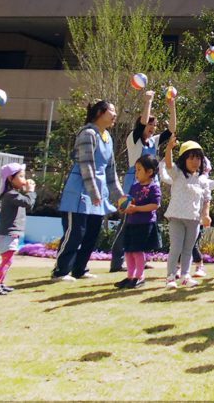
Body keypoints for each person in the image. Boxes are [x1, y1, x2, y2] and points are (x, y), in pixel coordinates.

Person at [53, 100, 124, 281]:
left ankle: (80, 269)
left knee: (92, 233)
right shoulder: (88, 133)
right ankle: (61, 271)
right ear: (100, 112)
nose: (115, 115)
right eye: (112, 111)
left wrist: (120, 198)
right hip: (80, 193)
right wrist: (93, 192)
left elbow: (110, 171)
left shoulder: (107, 137)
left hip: (98, 195)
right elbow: (87, 165)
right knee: (75, 232)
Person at [109, 89, 174, 273]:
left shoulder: (152, 142)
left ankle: (139, 259)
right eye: (149, 125)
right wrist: (148, 101)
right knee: (127, 221)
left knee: (144, 222)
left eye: (154, 125)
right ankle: (116, 262)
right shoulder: (134, 139)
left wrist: (172, 105)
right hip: (133, 183)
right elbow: (142, 123)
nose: (152, 127)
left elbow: (171, 130)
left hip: (150, 185)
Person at [159, 138, 212, 289]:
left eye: (198, 158)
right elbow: (168, 164)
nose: (195, 161)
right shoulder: (177, 173)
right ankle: (170, 277)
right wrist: (169, 149)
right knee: (176, 248)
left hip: (194, 219)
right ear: (184, 159)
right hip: (176, 217)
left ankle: (185, 276)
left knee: (188, 249)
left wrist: (205, 215)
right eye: (191, 158)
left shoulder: (203, 180)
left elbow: (207, 199)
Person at [114, 155, 162, 289]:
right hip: (131, 223)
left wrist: (137, 209)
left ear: (150, 172)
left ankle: (139, 277)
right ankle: (130, 277)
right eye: (136, 170)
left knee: (137, 251)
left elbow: (155, 205)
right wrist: (124, 208)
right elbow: (128, 201)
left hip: (144, 224)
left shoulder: (154, 187)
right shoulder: (134, 186)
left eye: (139, 170)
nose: (136, 173)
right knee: (128, 251)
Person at [0, 163, 36, 295]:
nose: (24, 179)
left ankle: (0, 283)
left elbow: (28, 204)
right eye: (21, 176)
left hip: (9, 234)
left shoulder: (14, 194)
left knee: (8, 261)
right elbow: (28, 203)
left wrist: (28, 193)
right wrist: (30, 191)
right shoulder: (11, 195)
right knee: (7, 261)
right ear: (10, 178)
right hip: (6, 235)